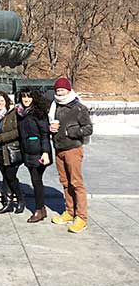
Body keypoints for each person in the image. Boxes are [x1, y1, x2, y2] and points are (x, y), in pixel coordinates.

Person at [50, 77, 93, 234]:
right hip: (59, 149)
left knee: (76, 183)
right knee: (65, 182)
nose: (59, 92)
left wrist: (71, 132)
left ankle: (81, 217)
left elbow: (88, 128)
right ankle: (69, 211)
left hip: (73, 149)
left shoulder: (79, 108)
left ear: (68, 90)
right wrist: (51, 129)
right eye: (57, 90)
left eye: (62, 89)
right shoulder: (54, 106)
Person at [16, 88, 52, 223]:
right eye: (24, 97)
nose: (26, 99)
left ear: (34, 98)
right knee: (35, 180)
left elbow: (44, 135)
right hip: (28, 152)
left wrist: (45, 152)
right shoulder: (20, 113)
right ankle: (42, 209)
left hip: (38, 152)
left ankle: (38, 210)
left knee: (36, 181)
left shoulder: (38, 113)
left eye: (29, 97)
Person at [0, 91, 25, 214]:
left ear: (6, 101)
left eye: (1, 100)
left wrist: (1, 137)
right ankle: (8, 202)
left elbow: (18, 131)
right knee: (5, 176)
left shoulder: (13, 113)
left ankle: (20, 200)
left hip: (10, 150)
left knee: (11, 176)